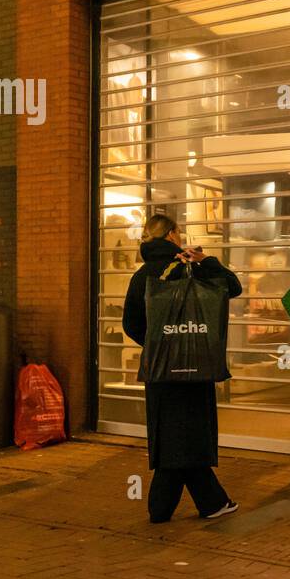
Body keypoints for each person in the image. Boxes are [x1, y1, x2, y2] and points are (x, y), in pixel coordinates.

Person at [122, 214, 243, 523]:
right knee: (190, 436)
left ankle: (173, 506)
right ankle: (199, 503)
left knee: (170, 435)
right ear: (173, 235)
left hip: (160, 370)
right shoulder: (190, 269)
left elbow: (131, 324)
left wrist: (160, 344)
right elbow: (232, 287)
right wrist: (207, 261)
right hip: (194, 367)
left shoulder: (141, 276)